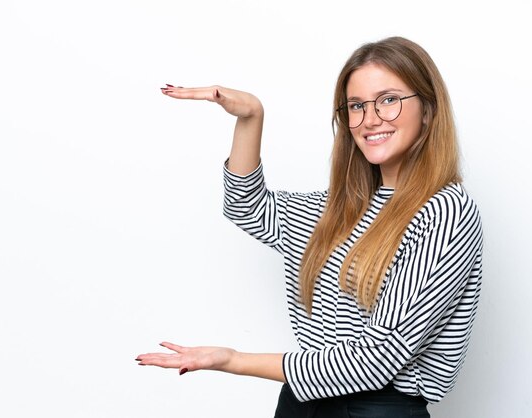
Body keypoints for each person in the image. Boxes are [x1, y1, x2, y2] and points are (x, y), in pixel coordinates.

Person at [136, 36, 483, 418]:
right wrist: (251, 116)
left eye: (388, 99)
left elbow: (377, 360)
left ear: (428, 109)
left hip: (376, 411)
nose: (370, 119)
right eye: (356, 106)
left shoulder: (445, 211)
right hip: (300, 405)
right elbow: (245, 206)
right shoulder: (338, 208)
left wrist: (232, 360)